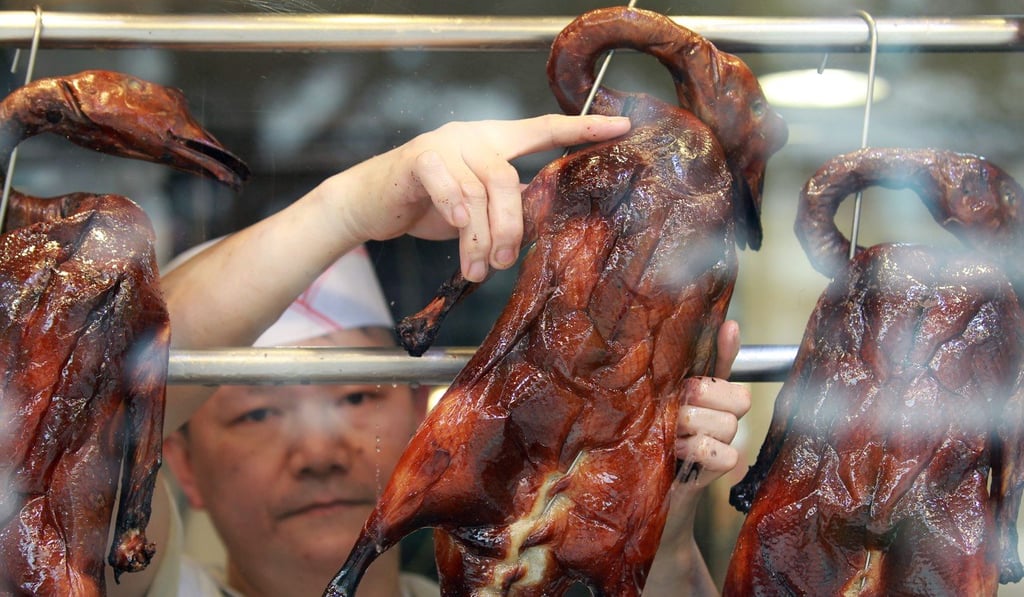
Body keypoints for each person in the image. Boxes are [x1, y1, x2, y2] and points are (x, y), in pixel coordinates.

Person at [109, 114, 751, 596]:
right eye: (257, 415)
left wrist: (658, 534)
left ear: (425, 413)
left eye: (358, 395)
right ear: (180, 462)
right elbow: (99, 405)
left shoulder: (506, 581)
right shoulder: (129, 577)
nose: (320, 454)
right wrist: (347, 208)